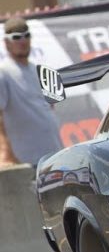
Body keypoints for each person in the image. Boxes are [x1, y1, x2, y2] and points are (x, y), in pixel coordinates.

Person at [0, 17, 63, 168]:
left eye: (26, 36)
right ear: (6, 42)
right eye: (16, 37)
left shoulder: (40, 70)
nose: (23, 41)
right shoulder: (3, 73)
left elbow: (50, 111)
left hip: (54, 154)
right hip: (26, 161)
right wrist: (6, 152)